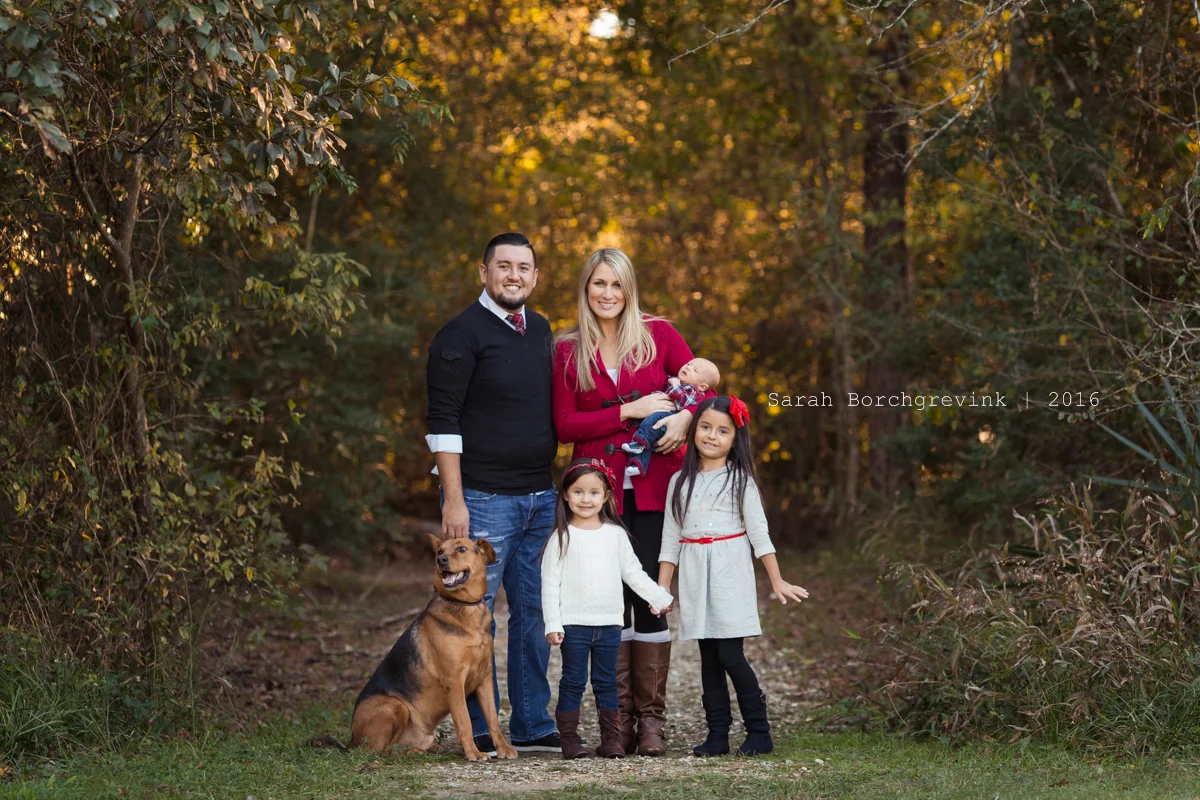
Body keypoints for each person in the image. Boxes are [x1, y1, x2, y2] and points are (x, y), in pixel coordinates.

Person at [551, 246, 714, 756]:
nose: (607, 293)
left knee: (649, 595)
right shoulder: (566, 350)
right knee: (604, 604)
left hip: (652, 488)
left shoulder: (660, 334)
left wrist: (687, 419)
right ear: (586, 289)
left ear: (629, 289)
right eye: (598, 283)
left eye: (616, 284)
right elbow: (564, 426)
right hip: (594, 495)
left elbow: (707, 393)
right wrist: (630, 410)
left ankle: (651, 724)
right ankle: (613, 725)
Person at [425, 232, 560, 754]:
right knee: (470, 614)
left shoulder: (541, 330)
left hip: (540, 497)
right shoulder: (459, 335)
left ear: (534, 276)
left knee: (533, 612)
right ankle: (482, 729)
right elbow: (443, 422)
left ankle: (531, 723)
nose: (514, 276)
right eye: (503, 266)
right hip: (481, 499)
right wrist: (454, 499)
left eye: (523, 268)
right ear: (484, 272)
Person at [656, 395, 810, 757]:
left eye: (722, 431)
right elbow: (670, 539)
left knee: (729, 654)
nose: (712, 436)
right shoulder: (679, 481)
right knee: (708, 657)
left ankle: (759, 731)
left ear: (734, 439)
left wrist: (777, 580)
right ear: (694, 430)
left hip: (729, 570)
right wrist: (662, 588)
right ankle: (717, 735)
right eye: (706, 427)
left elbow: (759, 534)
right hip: (695, 571)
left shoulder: (740, 481)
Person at [541, 458, 674, 759]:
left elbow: (634, 573)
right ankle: (570, 740)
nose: (585, 499)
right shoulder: (560, 538)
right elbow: (549, 584)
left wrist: (658, 597)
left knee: (607, 682)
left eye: (593, 492)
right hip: (573, 624)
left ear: (606, 497)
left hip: (610, 623)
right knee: (573, 681)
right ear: (565, 495)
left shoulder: (615, 535)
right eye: (578, 492)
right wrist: (553, 623)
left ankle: (611, 739)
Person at [621, 358, 721, 478]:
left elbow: (682, 401)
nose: (688, 367)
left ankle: (639, 443)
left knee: (653, 421)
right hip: (663, 418)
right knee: (646, 442)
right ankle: (638, 465)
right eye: (688, 364)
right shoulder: (679, 382)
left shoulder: (694, 391)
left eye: (695, 370)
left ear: (703, 386)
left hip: (670, 421)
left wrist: (675, 385)